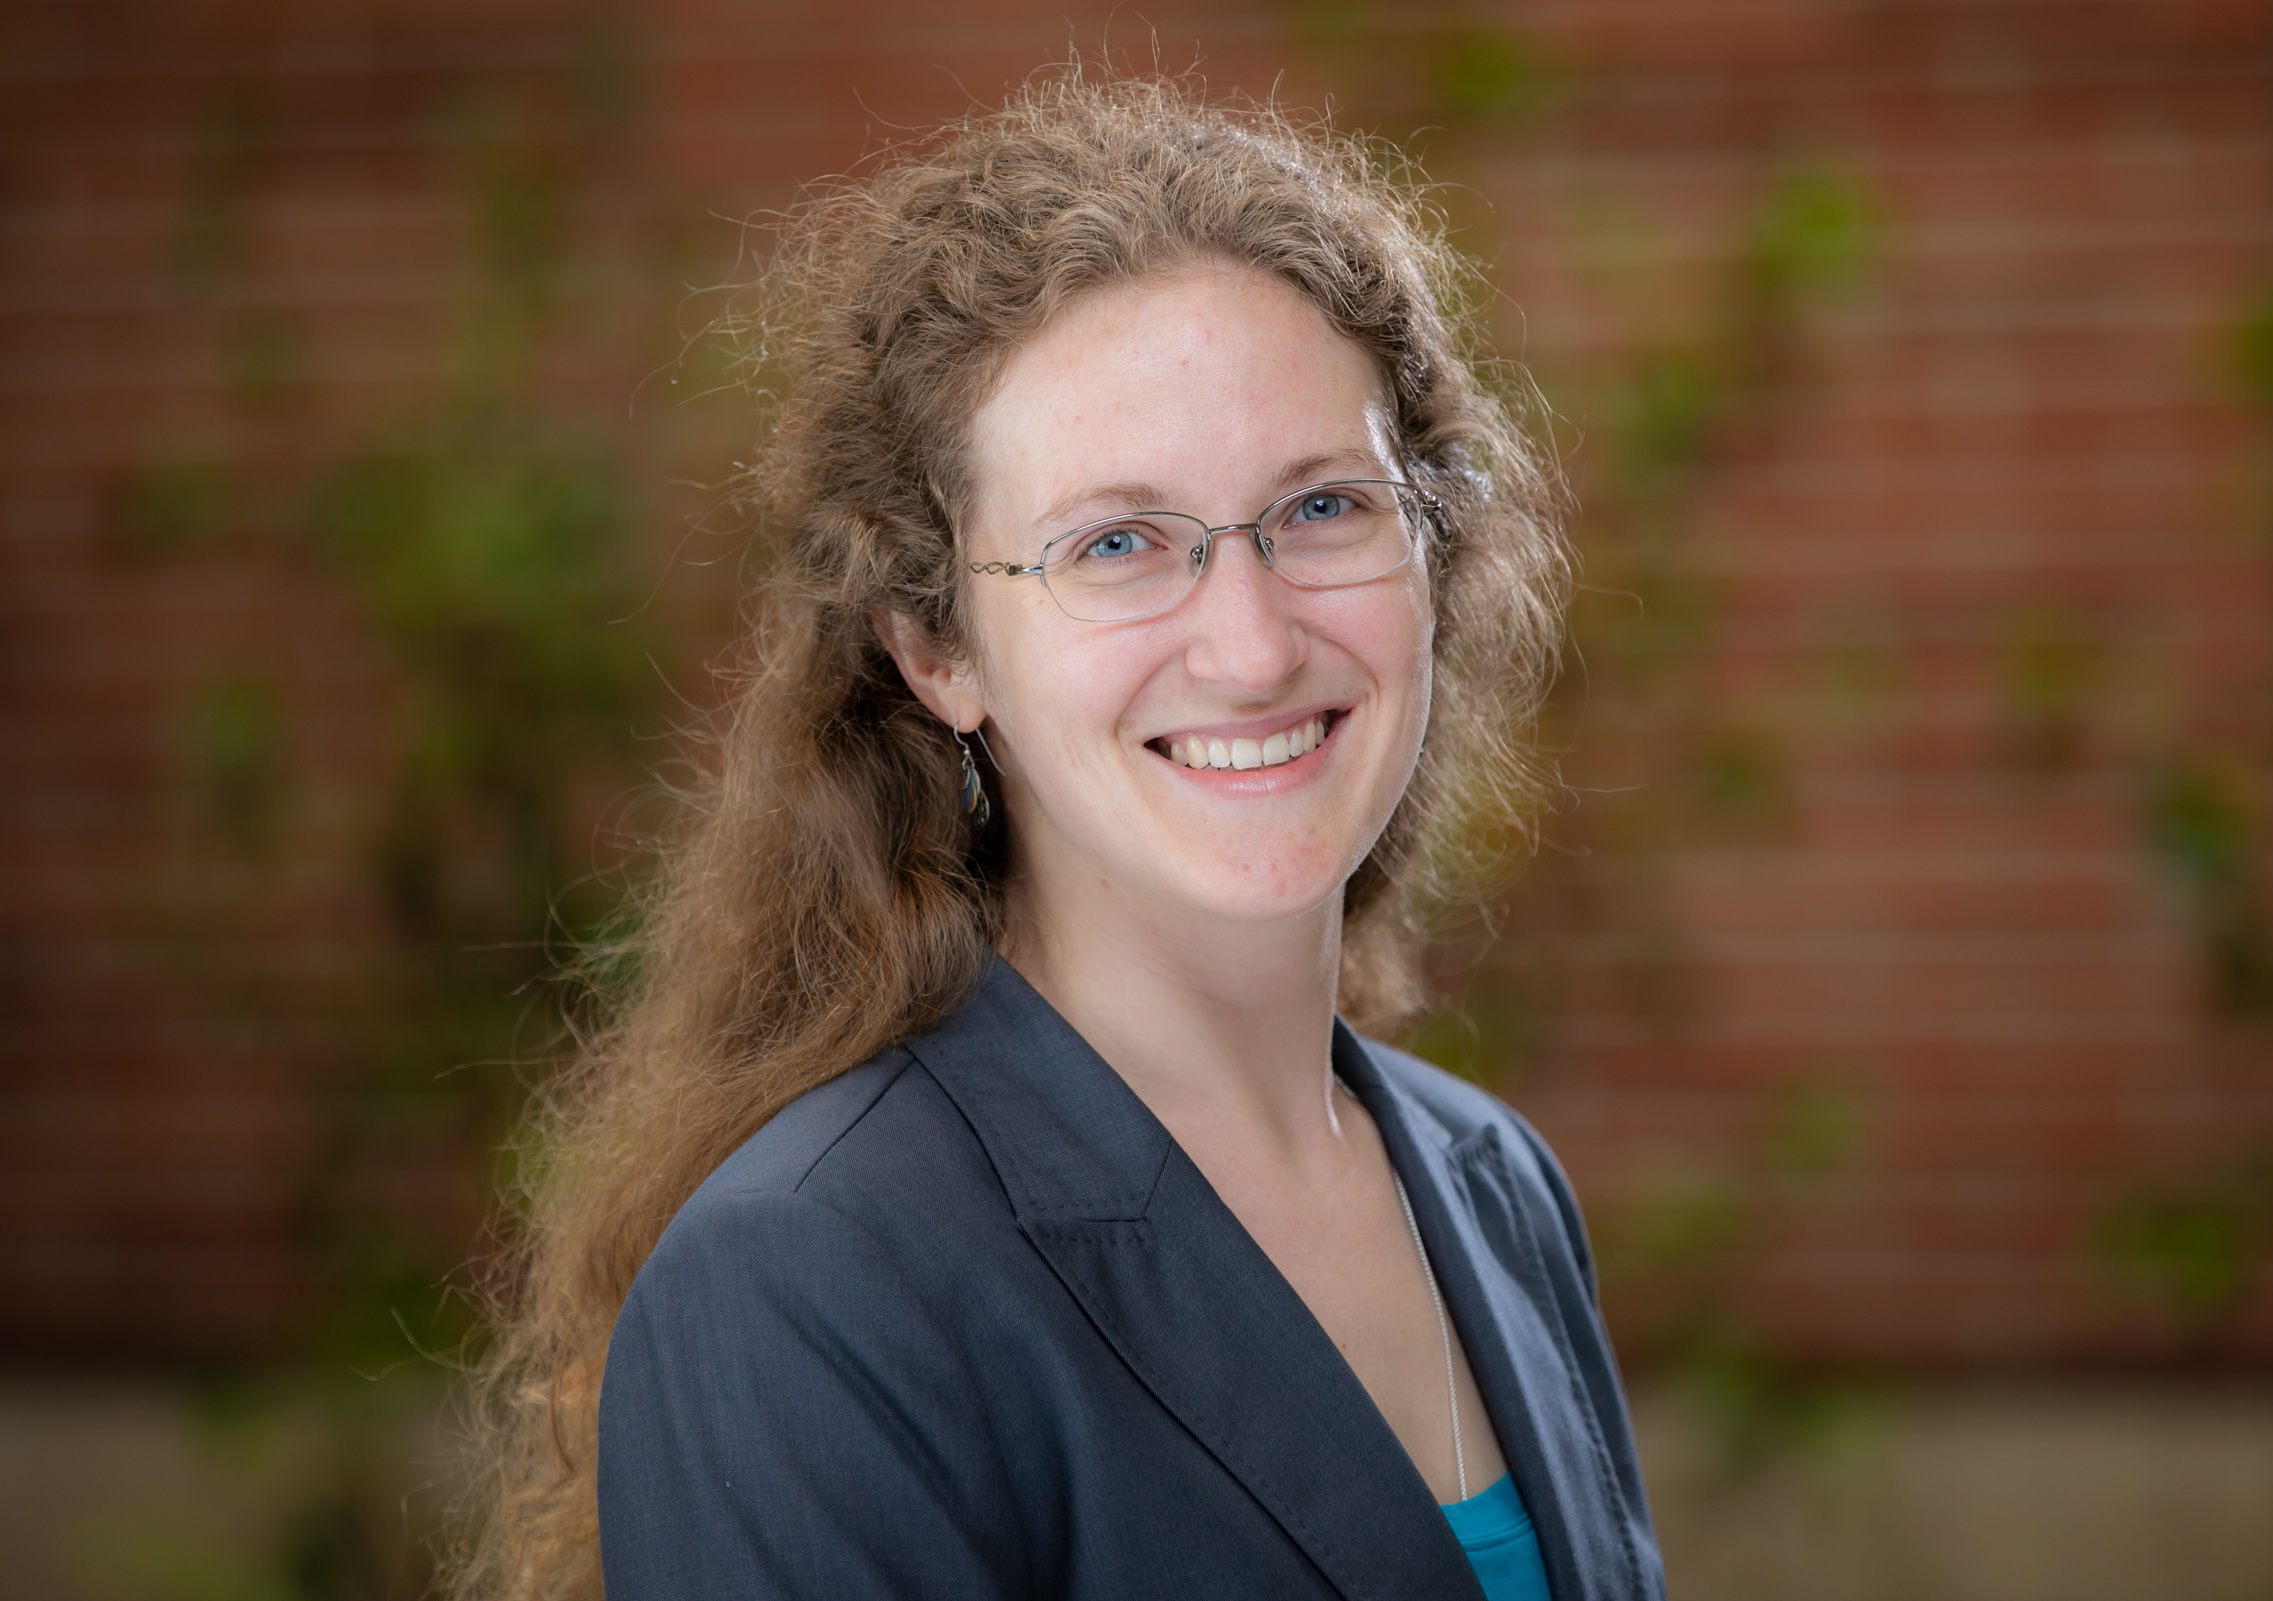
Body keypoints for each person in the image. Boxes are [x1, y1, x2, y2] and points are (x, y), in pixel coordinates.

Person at [455, 71, 1665, 1601]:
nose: (1250, 643)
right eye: (1116, 543)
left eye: (1323, 510)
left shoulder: (1493, 1183)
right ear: (937, 650)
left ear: (1433, 546)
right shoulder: (815, 1282)